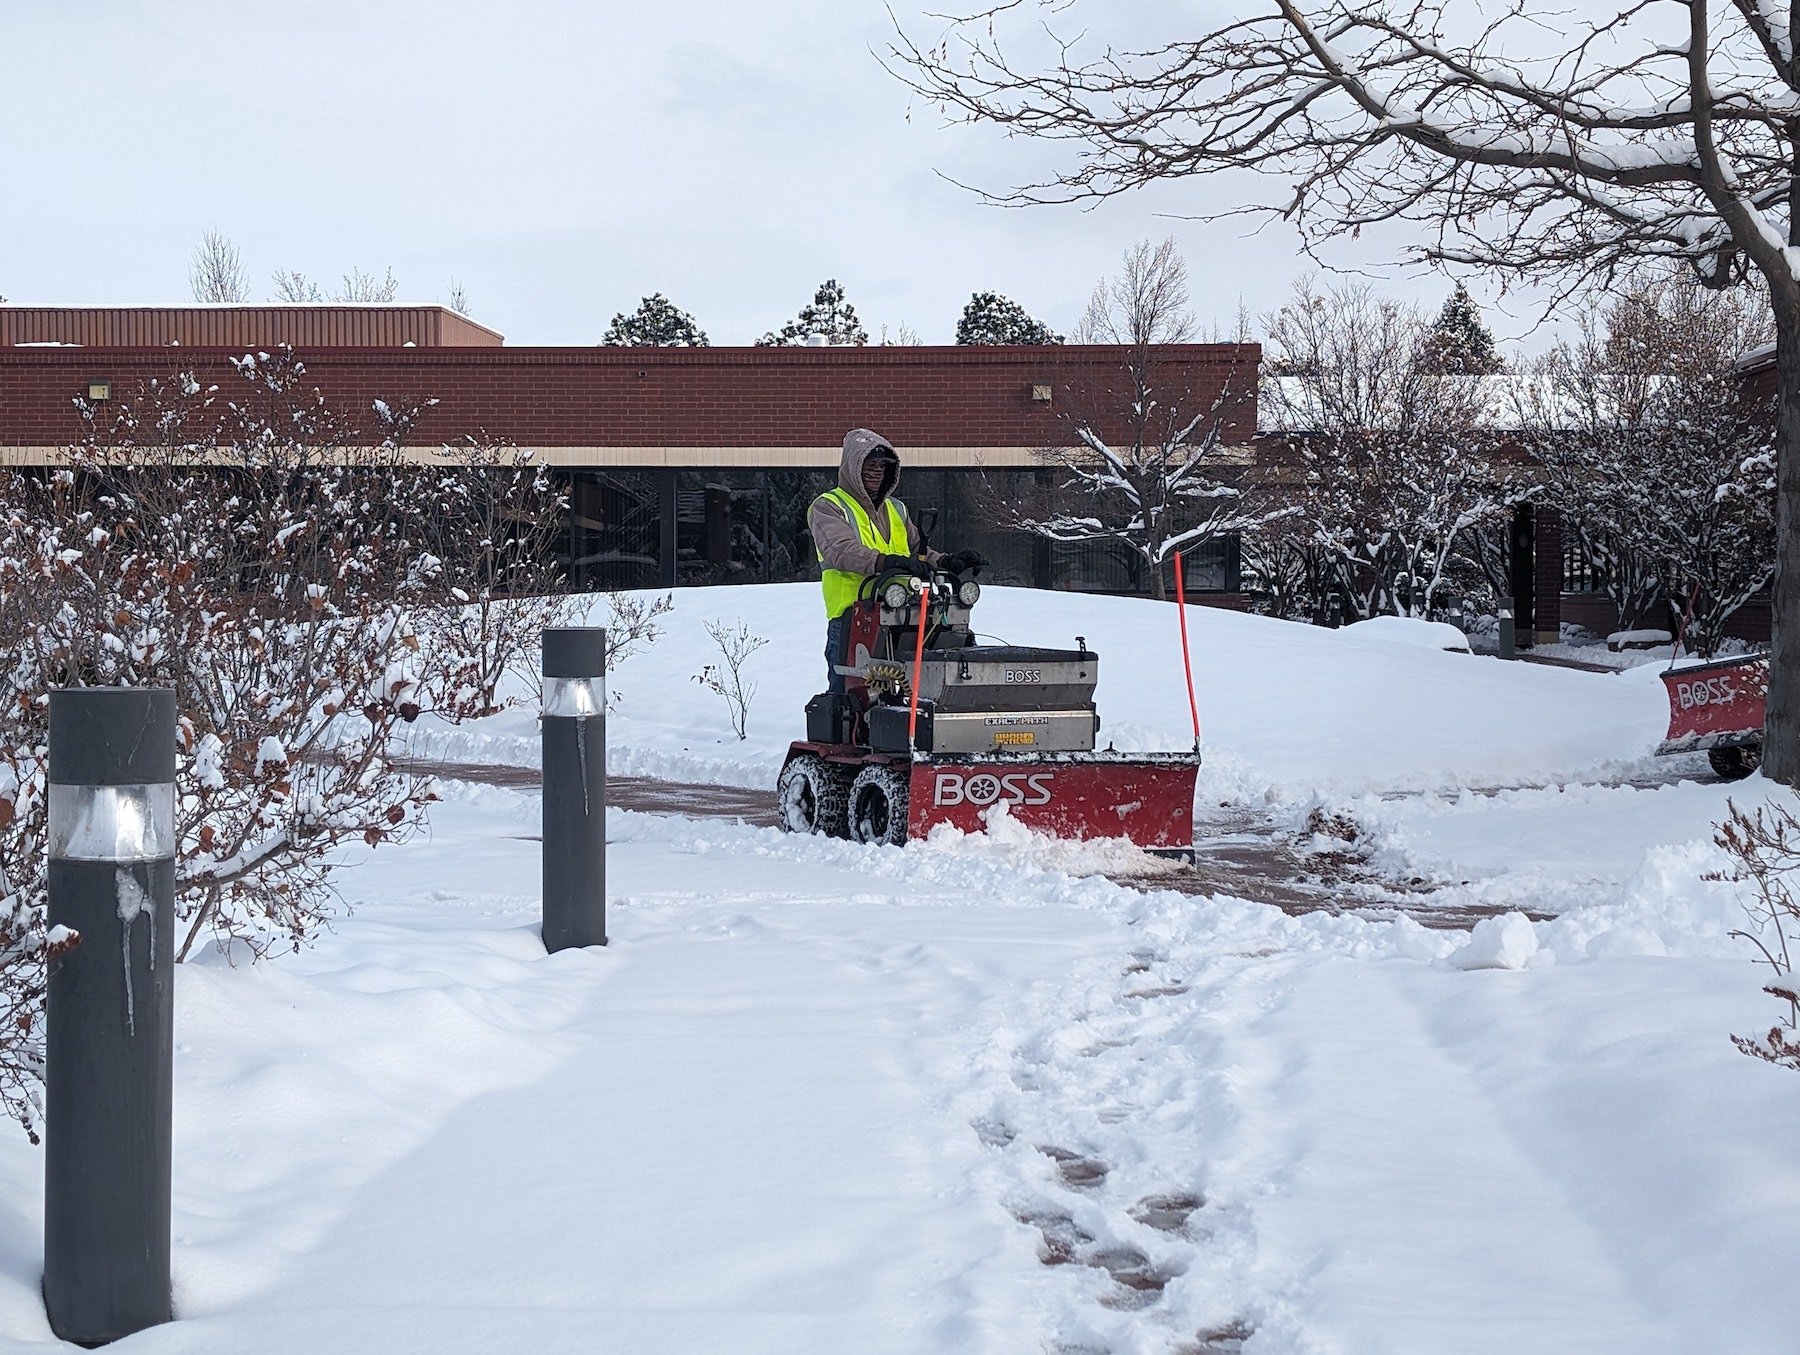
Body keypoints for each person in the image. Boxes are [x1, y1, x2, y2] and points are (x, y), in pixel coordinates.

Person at [809, 428, 985, 693]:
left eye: (882, 466)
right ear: (852, 467)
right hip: (855, 616)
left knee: (910, 692)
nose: (876, 472)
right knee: (851, 697)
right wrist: (886, 562)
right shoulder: (829, 506)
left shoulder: (897, 509)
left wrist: (947, 562)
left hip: (905, 615)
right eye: (870, 465)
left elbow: (917, 552)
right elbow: (840, 551)